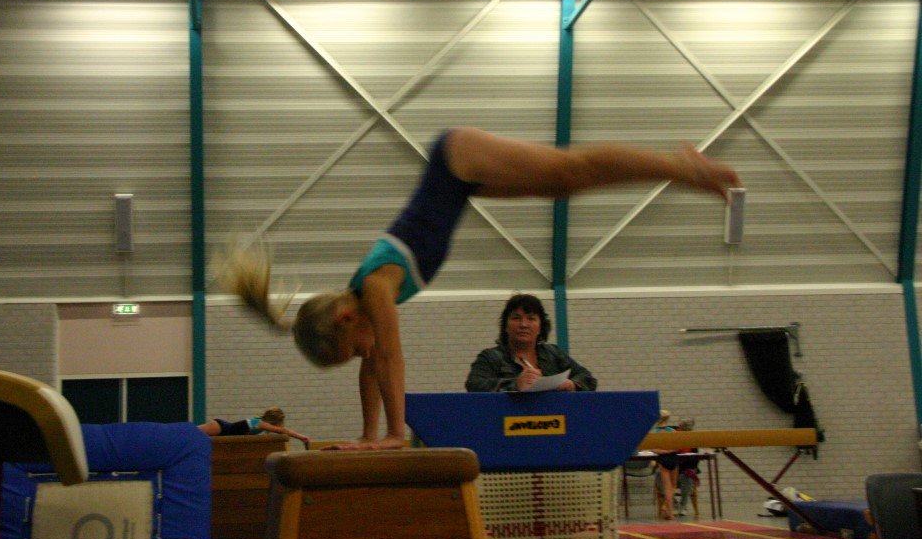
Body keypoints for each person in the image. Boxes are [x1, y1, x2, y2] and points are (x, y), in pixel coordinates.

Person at [215, 127, 741, 451]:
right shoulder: (364, 301)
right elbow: (373, 367)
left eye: (352, 348)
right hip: (459, 179)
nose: (363, 354)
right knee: (562, 184)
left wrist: (395, 435)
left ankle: (680, 168)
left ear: (343, 320)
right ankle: (678, 170)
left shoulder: (375, 288)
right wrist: (368, 437)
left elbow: (390, 359)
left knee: (568, 171)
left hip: (456, 158)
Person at [465, 293, 597, 393]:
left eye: (531, 318)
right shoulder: (490, 357)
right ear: (505, 326)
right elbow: (474, 385)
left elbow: (588, 379)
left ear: (540, 327)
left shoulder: (553, 353)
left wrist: (572, 384)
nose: (523, 324)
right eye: (516, 318)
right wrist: (515, 385)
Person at [198, 406, 311, 448]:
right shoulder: (261, 423)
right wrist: (301, 437)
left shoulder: (261, 425)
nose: (281, 425)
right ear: (276, 420)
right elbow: (283, 430)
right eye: (280, 422)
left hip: (222, 431)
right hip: (220, 427)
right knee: (191, 432)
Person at [651, 410, 679, 520]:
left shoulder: (655, 432)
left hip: (663, 459)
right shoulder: (672, 431)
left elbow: (654, 449)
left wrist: (664, 451)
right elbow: (677, 447)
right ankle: (666, 509)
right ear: (668, 419)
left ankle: (669, 511)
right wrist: (669, 450)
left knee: (667, 487)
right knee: (673, 486)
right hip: (673, 458)